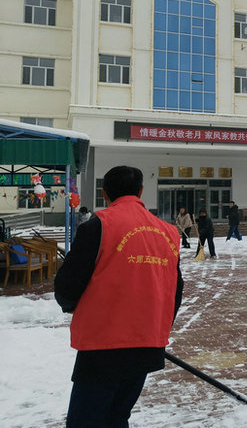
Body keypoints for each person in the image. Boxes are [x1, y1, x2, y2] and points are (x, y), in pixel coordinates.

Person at [54, 165, 184, 427]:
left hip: (103, 347)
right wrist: (154, 332)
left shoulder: (99, 226)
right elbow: (176, 289)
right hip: (146, 347)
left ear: (105, 193)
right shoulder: (168, 232)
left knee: (85, 421)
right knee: (117, 416)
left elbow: (67, 285)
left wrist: (70, 304)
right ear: (141, 191)